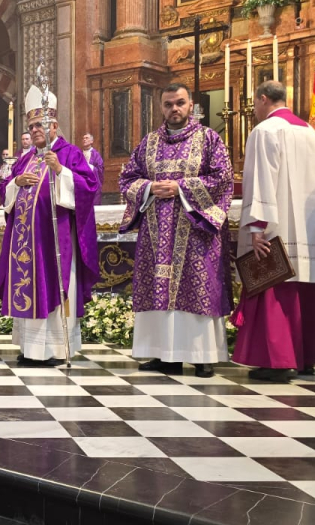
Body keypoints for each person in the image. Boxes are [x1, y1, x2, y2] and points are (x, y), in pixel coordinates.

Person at [118, 84, 234, 378]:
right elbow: (127, 178)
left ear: (191, 105)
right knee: (159, 288)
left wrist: (181, 187)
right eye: (168, 104)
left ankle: (202, 356)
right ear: (161, 107)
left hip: (195, 229)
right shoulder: (149, 142)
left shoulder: (209, 139)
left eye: (180, 103)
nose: (174, 109)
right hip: (156, 230)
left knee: (196, 286)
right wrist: (149, 187)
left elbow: (222, 178)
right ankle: (162, 353)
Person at [231, 81, 315, 382]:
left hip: (276, 226)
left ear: (263, 100)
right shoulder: (310, 133)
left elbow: (261, 179)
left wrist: (257, 226)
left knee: (274, 290)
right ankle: (304, 358)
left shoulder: (264, 131)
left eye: (255, 104)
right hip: (308, 226)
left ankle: (276, 360)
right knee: (303, 291)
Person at [0, 87, 101, 366]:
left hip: (55, 239)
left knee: (54, 288)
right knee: (28, 288)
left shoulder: (70, 154)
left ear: (54, 125)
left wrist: (60, 171)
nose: (35, 130)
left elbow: (89, 188)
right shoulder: (26, 158)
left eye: (40, 125)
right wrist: (14, 185)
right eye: (31, 126)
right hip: (26, 241)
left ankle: (55, 349)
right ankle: (30, 348)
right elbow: (7, 189)